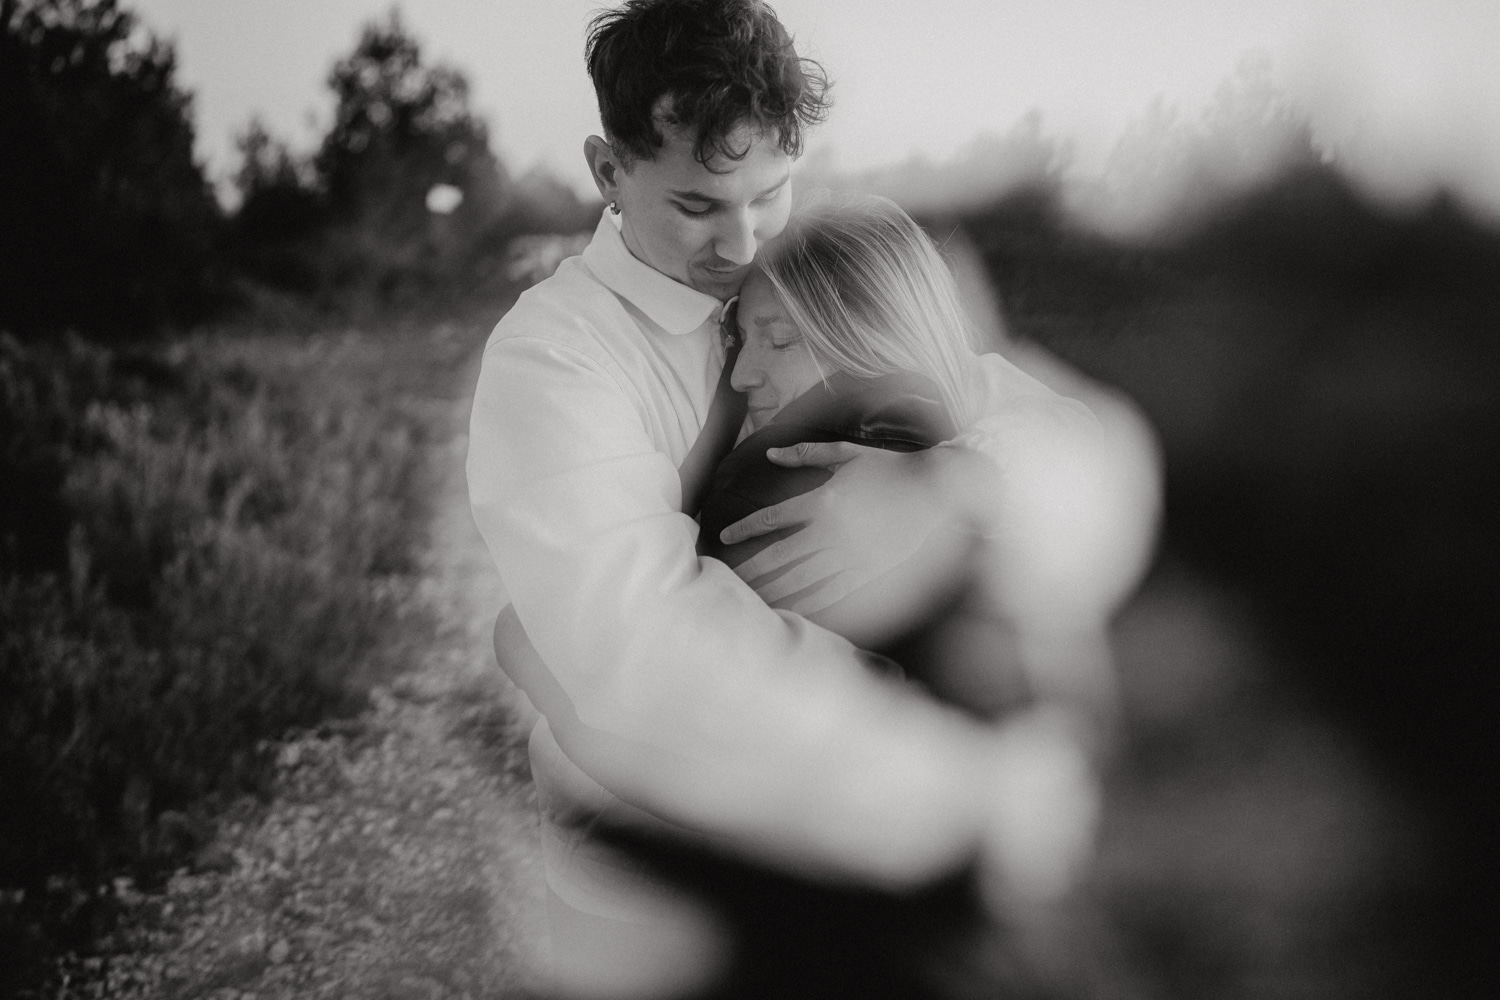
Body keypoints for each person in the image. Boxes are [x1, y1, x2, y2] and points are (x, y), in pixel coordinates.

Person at [466, 1, 1158, 995]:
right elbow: (643, 660)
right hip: (671, 904)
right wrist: (969, 801)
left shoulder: (815, 269)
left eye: (771, 193)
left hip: (890, 901)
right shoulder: (560, 355)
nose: (742, 242)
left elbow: (1094, 458)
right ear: (609, 171)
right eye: (698, 206)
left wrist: (959, 490)